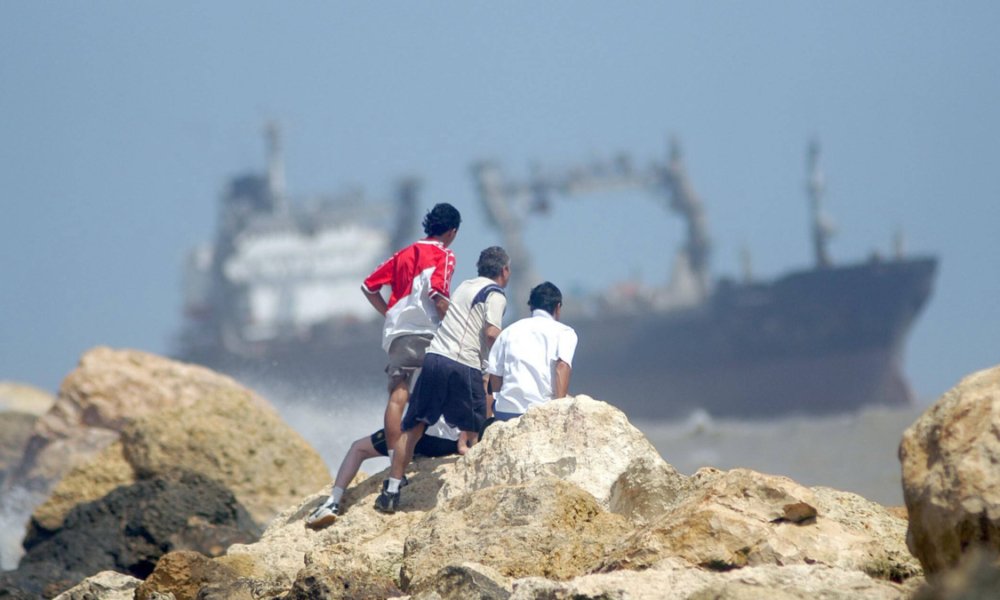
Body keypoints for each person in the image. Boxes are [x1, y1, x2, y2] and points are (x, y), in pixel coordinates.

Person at [374, 246, 510, 513]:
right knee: (478, 428)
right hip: (464, 364)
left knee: (413, 426)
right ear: (504, 271)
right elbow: (492, 333)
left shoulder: (463, 287)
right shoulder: (495, 294)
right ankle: (478, 491)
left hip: (435, 357)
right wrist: (503, 360)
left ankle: (391, 490)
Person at [361, 203, 461, 459]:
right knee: (443, 386)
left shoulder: (402, 254)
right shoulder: (445, 255)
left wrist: (389, 314)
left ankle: (396, 457)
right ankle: (435, 445)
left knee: (398, 395)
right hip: (427, 332)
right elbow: (438, 296)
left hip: (397, 333)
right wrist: (457, 328)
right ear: (451, 232)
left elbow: (368, 287)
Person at [305, 415, 458, 529]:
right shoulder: (477, 373)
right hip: (456, 441)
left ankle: (333, 502)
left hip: (426, 436)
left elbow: (400, 405)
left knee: (359, 447)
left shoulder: (421, 371)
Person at [486, 281, 578, 421]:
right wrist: (559, 411)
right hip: (540, 413)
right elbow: (562, 367)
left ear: (531, 306)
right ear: (558, 307)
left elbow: (495, 377)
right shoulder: (564, 332)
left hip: (505, 412)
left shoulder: (509, 331)